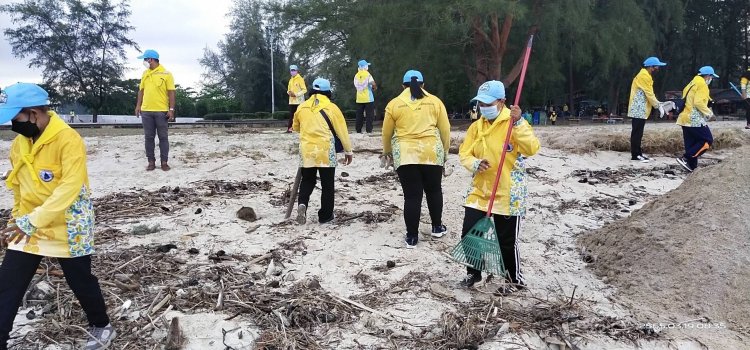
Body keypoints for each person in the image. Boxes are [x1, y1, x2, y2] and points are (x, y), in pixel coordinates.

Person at [0, 83, 115, 350]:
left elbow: (69, 189)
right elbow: (19, 187)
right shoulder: (20, 144)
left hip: (69, 222)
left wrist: (32, 221)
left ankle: (102, 325)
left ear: (33, 113)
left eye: (15, 118)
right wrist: (16, 221)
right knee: (8, 283)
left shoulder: (68, 139)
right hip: (30, 223)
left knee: (80, 279)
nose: (11, 125)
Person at [457, 80, 540, 293]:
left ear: (502, 102)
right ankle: (474, 273)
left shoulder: (514, 123)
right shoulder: (477, 126)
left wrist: (519, 121)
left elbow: (531, 148)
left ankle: (514, 281)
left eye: (488, 103)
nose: (483, 107)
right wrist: (475, 164)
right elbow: (464, 153)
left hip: (508, 191)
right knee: (469, 234)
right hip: (481, 189)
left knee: (506, 241)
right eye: (480, 104)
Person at [382, 70, 451, 248]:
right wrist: (445, 153)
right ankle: (437, 227)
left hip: (405, 155)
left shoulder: (394, 104)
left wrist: (387, 152)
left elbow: (386, 133)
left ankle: (412, 237)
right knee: (434, 190)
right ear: (423, 84)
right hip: (431, 152)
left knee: (412, 197)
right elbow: (445, 130)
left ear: (402, 86)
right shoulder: (435, 102)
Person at [292, 78, 353, 224]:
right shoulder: (332, 108)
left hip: (307, 150)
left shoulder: (302, 107)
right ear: (328, 92)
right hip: (326, 150)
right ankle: (325, 216)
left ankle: (303, 204)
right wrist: (348, 151)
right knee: (327, 184)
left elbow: (295, 127)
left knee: (307, 180)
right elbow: (342, 131)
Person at [134, 49, 175, 171]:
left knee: (163, 137)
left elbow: (171, 92)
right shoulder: (144, 73)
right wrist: (138, 105)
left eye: (145, 59)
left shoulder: (167, 74)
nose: (143, 62)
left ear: (150, 59)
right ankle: (151, 162)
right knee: (149, 137)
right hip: (146, 111)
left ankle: (164, 162)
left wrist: (171, 109)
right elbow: (141, 90)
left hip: (161, 111)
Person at [676, 66, 717, 173]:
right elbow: (698, 102)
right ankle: (686, 158)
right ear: (707, 76)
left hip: (684, 118)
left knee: (692, 143)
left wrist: (709, 101)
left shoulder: (692, 83)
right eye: (711, 77)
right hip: (694, 119)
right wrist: (709, 114)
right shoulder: (702, 84)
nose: (711, 80)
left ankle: (691, 167)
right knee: (707, 140)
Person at [627, 56, 666, 163]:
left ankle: (638, 153)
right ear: (651, 67)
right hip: (638, 108)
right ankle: (635, 155)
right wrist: (658, 106)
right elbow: (649, 93)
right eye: (657, 66)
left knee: (638, 132)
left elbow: (650, 93)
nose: (658, 68)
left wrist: (658, 104)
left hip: (640, 109)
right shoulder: (644, 76)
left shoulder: (645, 75)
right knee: (637, 132)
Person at [353, 59, 377, 134]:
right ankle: (369, 130)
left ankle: (358, 130)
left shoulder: (356, 75)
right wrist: (374, 88)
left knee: (359, 115)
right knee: (369, 115)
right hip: (368, 98)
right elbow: (373, 83)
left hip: (359, 99)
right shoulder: (367, 74)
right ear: (365, 66)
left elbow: (356, 86)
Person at [287, 65, 307, 133]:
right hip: (292, 101)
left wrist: (296, 94)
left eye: (294, 70)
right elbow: (288, 90)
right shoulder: (290, 80)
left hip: (299, 101)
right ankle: (289, 129)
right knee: (291, 115)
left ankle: (302, 129)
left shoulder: (300, 79)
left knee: (300, 115)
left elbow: (304, 90)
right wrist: (289, 93)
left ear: (297, 71)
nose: (292, 72)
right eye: (291, 70)